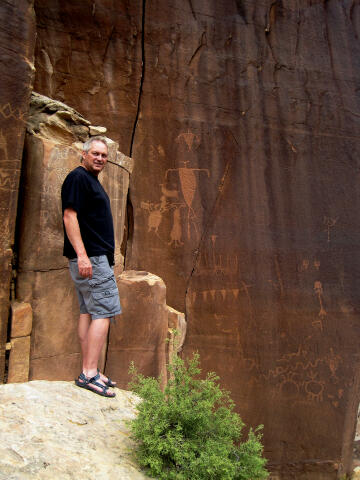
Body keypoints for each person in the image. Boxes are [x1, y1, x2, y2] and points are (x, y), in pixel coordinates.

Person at [61, 136, 121, 398]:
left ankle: (89, 369)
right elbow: (69, 215)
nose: (99, 158)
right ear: (83, 154)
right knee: (104, 312)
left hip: (93, 259)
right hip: (92, 259)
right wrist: (83, 255)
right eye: (95, 153)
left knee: (88, 311)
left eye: (104, 155)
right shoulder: (78, 178)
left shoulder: (89, 180)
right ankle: (89, 373)